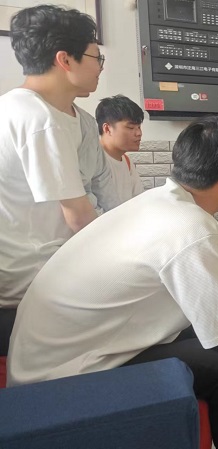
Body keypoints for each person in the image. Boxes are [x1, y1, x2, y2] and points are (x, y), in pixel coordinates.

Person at [8, 116, 218, 449]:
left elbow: (199, 281)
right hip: (60, 382)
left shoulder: (161, 201)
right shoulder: (191, 228)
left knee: (197, 331)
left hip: (44, 358)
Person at [0, 5, 106, 356]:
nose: (99, 67)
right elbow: (78, 218)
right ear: (65, 60)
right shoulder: (38, 118)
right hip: (33, 286)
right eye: (96, 57)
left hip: (43, 269)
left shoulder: (32, 110)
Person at [96, 95, 146, 203]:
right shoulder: (93, 161)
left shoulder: (127, 162)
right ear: (107, 129)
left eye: (139, 127)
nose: (139, 133)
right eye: (130, 127)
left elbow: (138, 200)